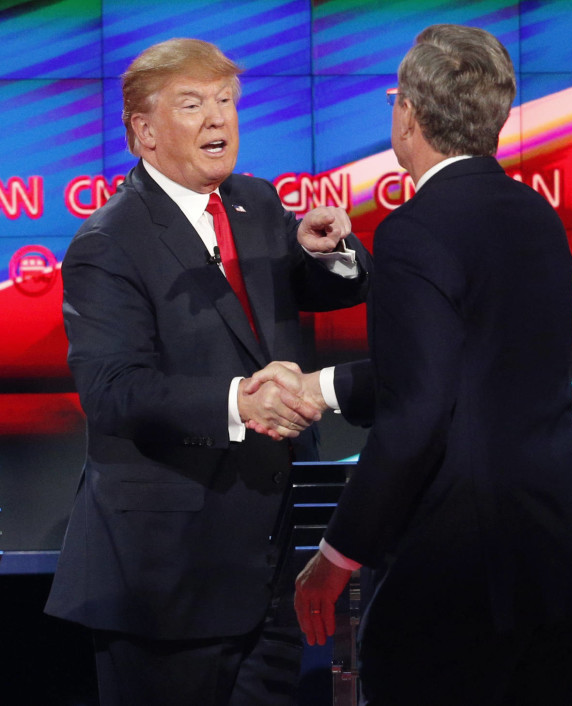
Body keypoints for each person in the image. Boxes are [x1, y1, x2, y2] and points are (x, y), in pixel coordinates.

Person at [247, 24, 572, 705]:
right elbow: (476, 370)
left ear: (408, 113)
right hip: (554, 565)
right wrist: (320, 387)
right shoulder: (536, 217)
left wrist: (335, 556)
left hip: (457, 584)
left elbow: (417, 414)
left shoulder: (415, 231)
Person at [44, 37, 371, 706]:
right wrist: (238, 404)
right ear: (144, 132)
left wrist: (333, 253)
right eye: (193, 104)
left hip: (263, 573)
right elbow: (114, 393)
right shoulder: (109, 242)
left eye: (226, 101)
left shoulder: (255, 204)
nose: (219, 119)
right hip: (162, 583)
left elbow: (320, 290)